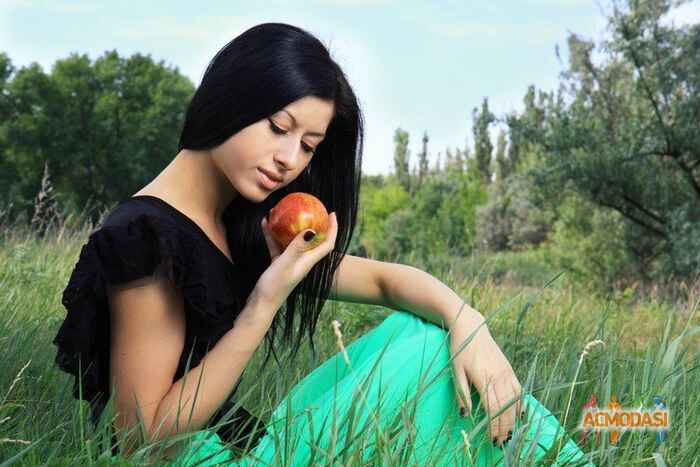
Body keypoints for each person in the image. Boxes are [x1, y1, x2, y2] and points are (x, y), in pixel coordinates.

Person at [52, 22, 594, 466]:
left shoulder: (243, 225)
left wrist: (470, 323)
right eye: (277, 127)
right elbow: (141, 444)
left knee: (422, 334)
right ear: (229, 100)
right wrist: (263, 303)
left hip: (241, 444)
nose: (289, 159)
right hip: (201, 459)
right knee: (427, 355)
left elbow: (385, 282)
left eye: (308, 145)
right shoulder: (145, 237)